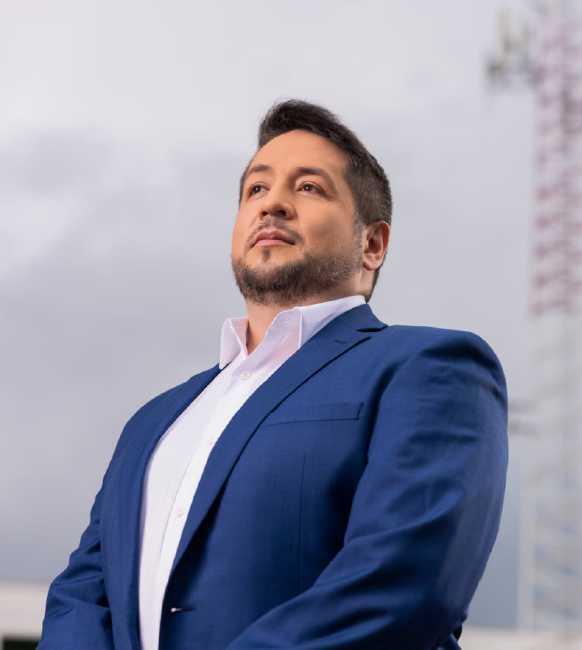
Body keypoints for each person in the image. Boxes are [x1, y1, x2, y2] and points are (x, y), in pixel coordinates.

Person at [39, 99, 508, 650]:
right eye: (256, 189)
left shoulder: (428, 368)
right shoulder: (154, 421)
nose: (273, 204)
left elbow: (400, 585)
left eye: (309, 187)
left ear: (373, 244)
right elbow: (83, 592)